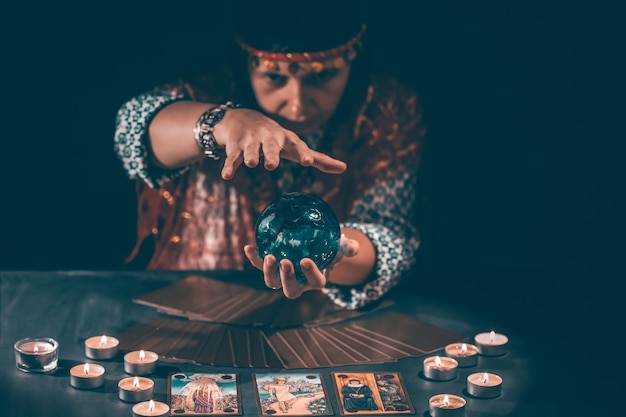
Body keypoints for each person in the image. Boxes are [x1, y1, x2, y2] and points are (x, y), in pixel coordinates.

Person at [113, 1, 426, 310]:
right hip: (191, 306)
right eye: (275, 77)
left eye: (321, 76)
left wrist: (335, 253)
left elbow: (390, 235)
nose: (296, 105)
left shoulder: (384, 109)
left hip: (322, 317)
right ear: (247, 61)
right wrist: (223, 123)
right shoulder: (206, 90)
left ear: (352, 59)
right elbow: (131, 131)